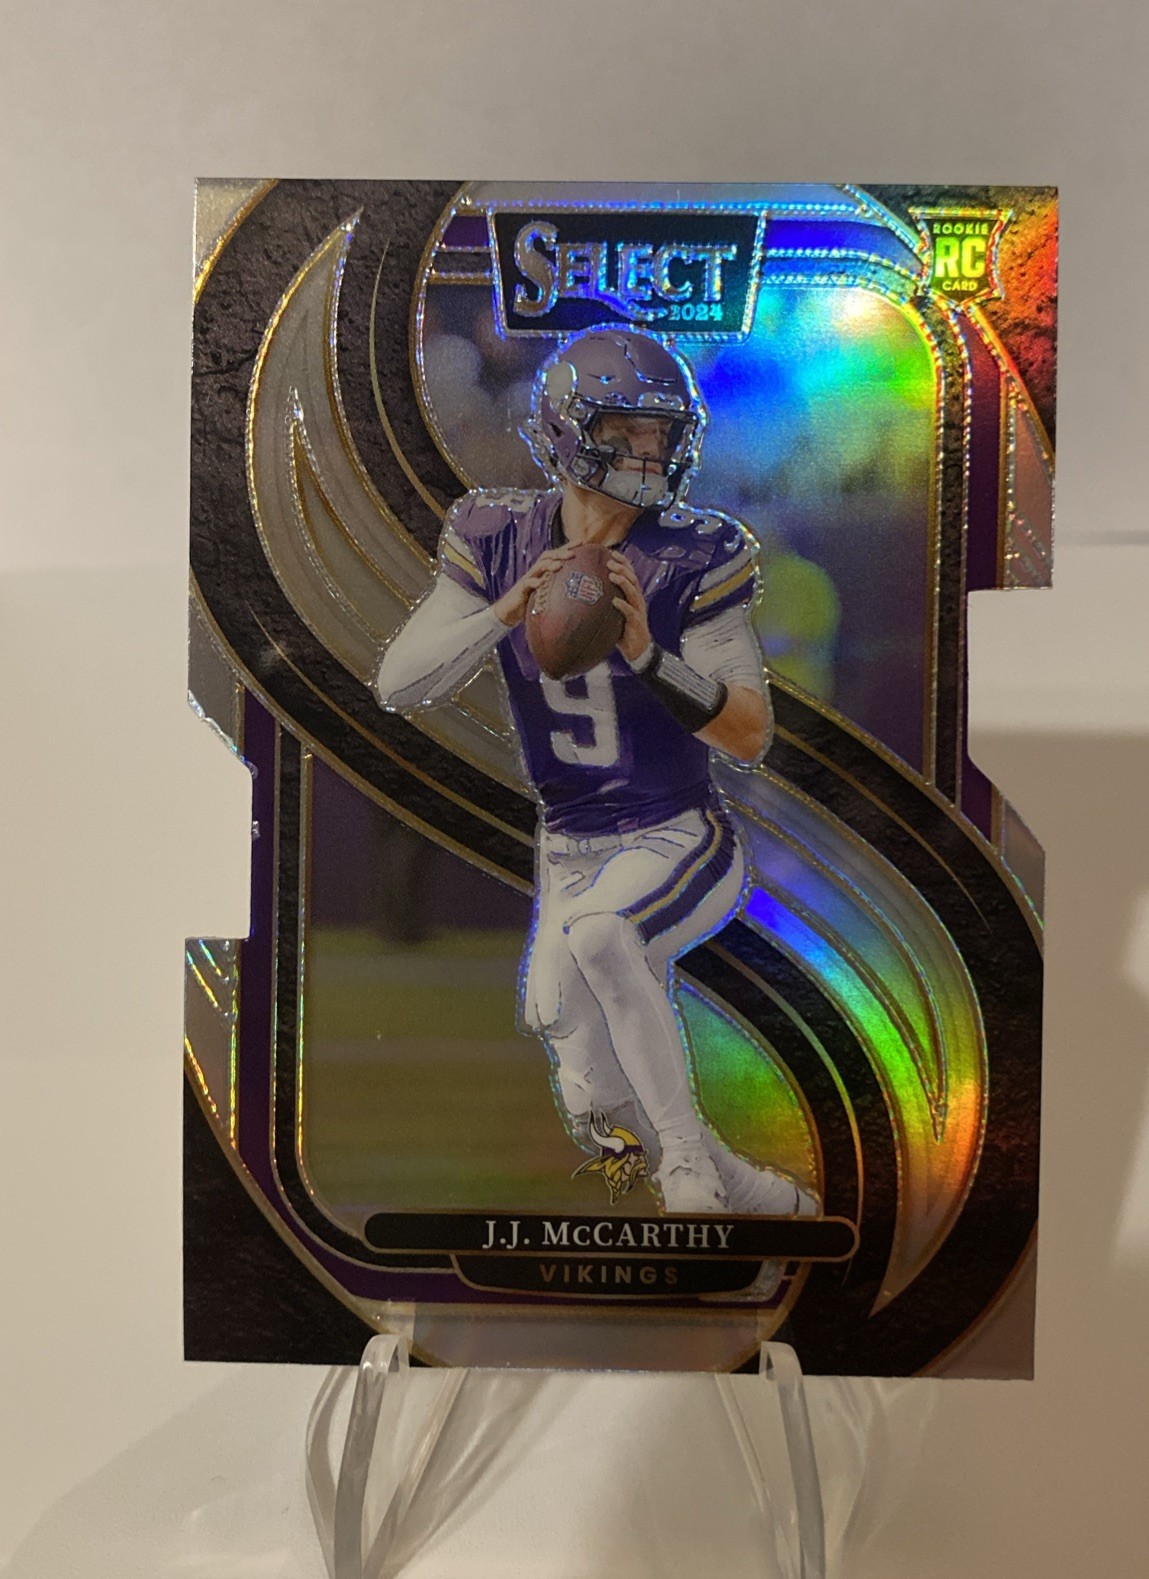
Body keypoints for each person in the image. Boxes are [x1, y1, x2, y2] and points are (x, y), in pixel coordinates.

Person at [375, 326, 815, 1221]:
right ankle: (752, 1196)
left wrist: (649, 655)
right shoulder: (495, 536)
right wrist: (505, 609)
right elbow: (397, 684)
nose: (650, 451)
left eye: (660, 432)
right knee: (587, 1089)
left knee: (605, 936)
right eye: (625, 431)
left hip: (674, 831)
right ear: (567, 432)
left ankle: (686, 1165)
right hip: (566, 843)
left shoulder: (695, 553)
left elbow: (746, 731)